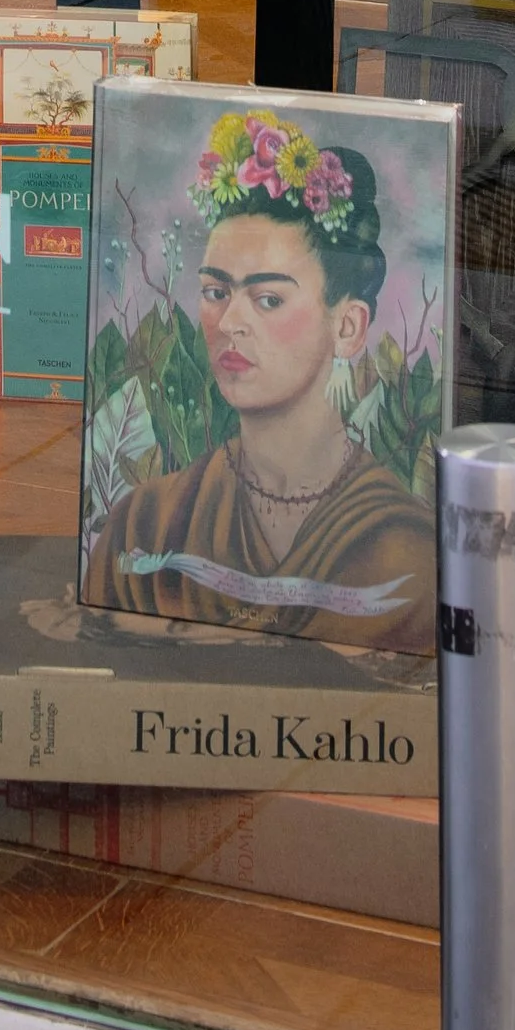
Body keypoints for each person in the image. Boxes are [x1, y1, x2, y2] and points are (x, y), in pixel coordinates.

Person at [82, 111, 433, 650]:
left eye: (268, 299)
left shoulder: (404, 548)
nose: (229, 323)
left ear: (347, 325)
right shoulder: (147, 524)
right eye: (215, 292)